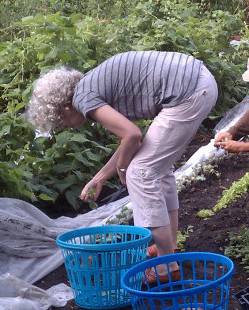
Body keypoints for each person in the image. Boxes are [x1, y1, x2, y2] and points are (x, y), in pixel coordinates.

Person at [26, 51, 218, 285]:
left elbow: (132, 135)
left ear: (64, 107)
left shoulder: (83, 99)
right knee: (158, 169)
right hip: (197, 81)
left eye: (60, 121)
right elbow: (131, 138)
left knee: (141, 172)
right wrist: (100, 177)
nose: (66, 126)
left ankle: (167, 267)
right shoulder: (93, 86)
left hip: (188, 92)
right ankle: (167, 249)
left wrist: (124, 168)